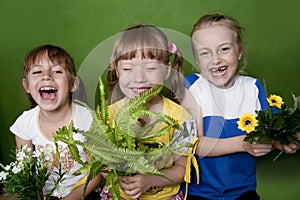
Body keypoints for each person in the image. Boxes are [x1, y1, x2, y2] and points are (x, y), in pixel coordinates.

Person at [182, 13, 299, 200]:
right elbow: (194, 145)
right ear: (196, 61)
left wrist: (283, 142)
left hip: (243, 191)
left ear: (239, 51)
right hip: (199, 193)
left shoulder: (252, 87)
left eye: (224, 49)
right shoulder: (193, 87)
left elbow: (269, 134)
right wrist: (242, 144)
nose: (216, 59)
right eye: (205, 53)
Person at [102, 24, 197, 200]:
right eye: (128, 69)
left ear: (167, 70)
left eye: (151, 68)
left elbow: (182, 170)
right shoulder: (107, 116)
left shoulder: (182, 118)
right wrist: (117, 176)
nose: (139, 78)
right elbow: (101, 165)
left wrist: (150, 180)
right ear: (116, 70)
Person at [10, 44, 101, 199]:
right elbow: (25, 170)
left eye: (57, 71)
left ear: (73, 84)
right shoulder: (25, 123)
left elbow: (95, 174)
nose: (46, 76)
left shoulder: (87, 119)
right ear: (27, 86)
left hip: (83, 192)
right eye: (38, 72)